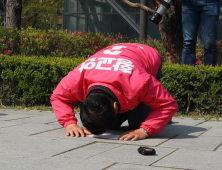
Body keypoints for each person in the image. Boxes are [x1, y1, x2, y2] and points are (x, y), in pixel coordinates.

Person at [50, 43, 178, 141]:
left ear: (115, 106)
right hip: (116, 59)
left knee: (138, 123)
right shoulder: (76, 79)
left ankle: (144, 115)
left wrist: (145, 130)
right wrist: (70, 124)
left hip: (146, 54)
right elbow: (58, 97)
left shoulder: (139, 82)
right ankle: (127, 111)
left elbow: (167, 104)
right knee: (109, 124)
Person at [182, 0, 221, 66]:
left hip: (211, 3)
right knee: (188, 43)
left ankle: (209, 74)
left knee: (209, 43)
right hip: (188, 4)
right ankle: (188, 74)